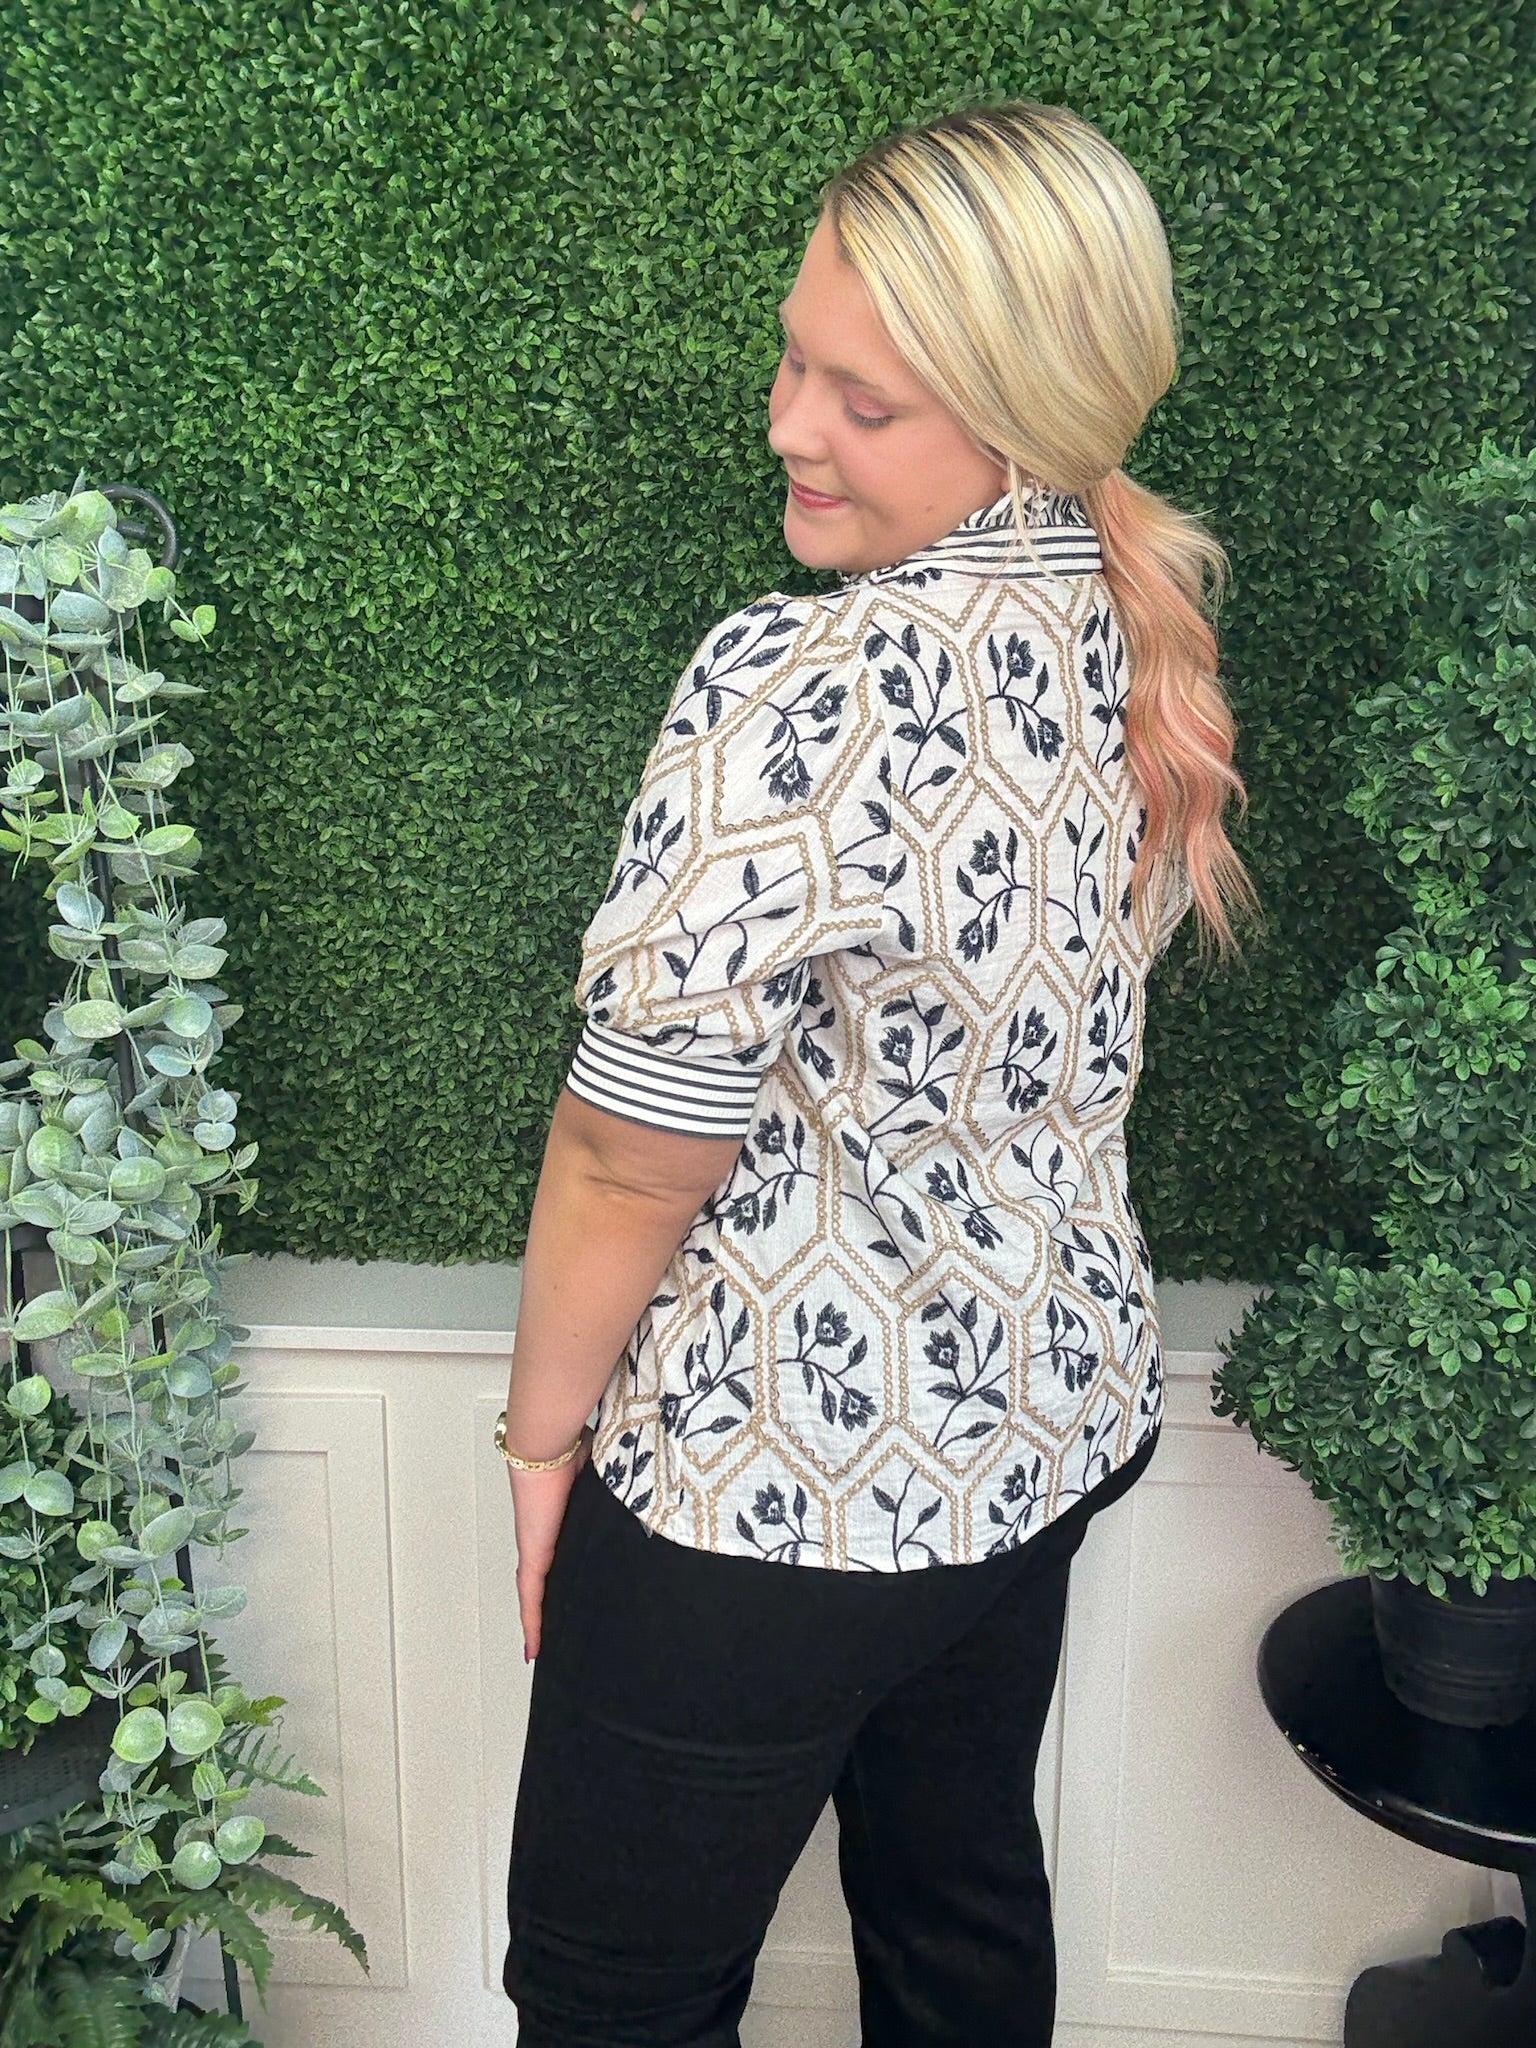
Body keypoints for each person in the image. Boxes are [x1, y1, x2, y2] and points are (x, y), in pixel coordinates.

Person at [497, 98, 1260, 2048]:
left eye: (865, 399)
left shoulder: (803, 679)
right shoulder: (1124, 616)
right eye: (794, 361)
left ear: (1022, 411)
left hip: (776, 1481)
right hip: (1042, 1428)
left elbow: (631, 1150)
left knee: (610, 2000)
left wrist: (540, 1447)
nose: (788, 424)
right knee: (957, 1913)